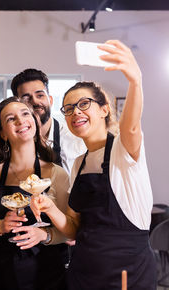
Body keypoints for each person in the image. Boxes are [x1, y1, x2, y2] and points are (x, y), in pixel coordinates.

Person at [30, 40, 156, 289]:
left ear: (104, 109)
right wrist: (50, 207)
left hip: (127, 273)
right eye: (68, 109)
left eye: (84, 104)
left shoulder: (124, 150)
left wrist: (135, 80)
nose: (75, 112)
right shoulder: (79, 163)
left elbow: (131, 127)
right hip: (83, 272)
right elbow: (74, 230)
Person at [0, 97, 69, 290]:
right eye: (10, 118)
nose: (21, 120)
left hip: (47, 277)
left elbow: (69, 231)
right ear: (3, 133)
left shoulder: (58, 174)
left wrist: (44, 235)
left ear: (34, 122)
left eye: (25, 114)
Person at [11, 68, 87, 175]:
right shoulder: (13, 143)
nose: (35, 101)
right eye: (26, 97)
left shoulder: (76, 141)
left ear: (50, 100)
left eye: (40, 95)